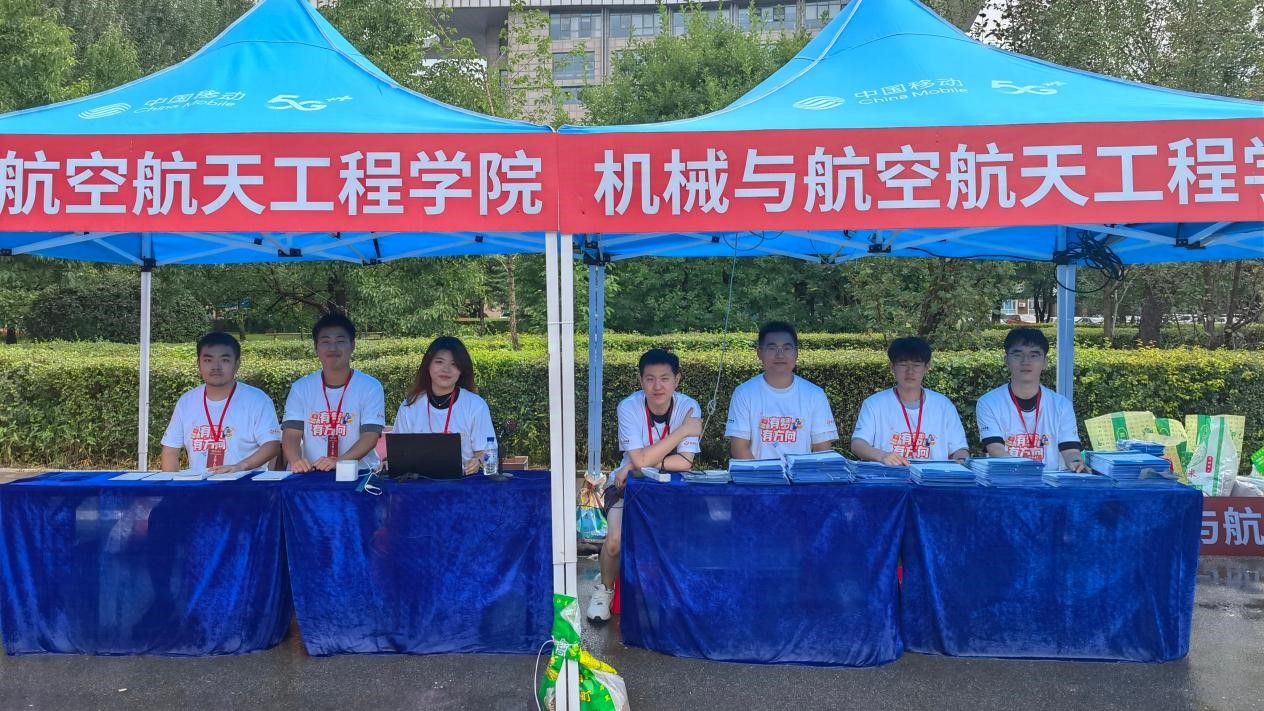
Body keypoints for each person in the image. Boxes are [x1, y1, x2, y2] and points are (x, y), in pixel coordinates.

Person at [588, 348, 702, 622]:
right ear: (640, 380)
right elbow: (639, 459)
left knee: (681, 540)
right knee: (614, 541)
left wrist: (635, 464)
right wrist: (683, 431)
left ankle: (671, 593)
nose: (657, 386)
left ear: (677, 379)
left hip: (668, 487)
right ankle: (604, 590)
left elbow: (685, 462)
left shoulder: (689, 407)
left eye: (665, 378)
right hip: (626, 484)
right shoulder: (628, 406)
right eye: (650, 379)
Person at [160, 331, 281, 473]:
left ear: (237, 364)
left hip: (245, 483)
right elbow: (170, 450)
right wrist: (172, 484)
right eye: (208, 360)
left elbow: (272, 445)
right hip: (200, 484)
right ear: (198, 364)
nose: (216, 367)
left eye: (224, 360)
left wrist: (241, 466)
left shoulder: (258, 400)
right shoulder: (186, 402)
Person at [282, 313, 386, 472]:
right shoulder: (301, 388)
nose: (332, 348)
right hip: (313, 473)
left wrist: (340, 461)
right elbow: (291, 433)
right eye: (325, 342)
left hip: (360, 473)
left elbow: (370, 435)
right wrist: (296, 461)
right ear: (316, 347)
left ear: (352, 345)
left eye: (340, 341)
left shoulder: (370, 387)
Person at [976, 327, 1089, 472]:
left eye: (1034, 355)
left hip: (1050, 482)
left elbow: (1070, 450)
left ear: (1045, 362)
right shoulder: (988, 403)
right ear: (1006, 360)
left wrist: (1076, 463)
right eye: (1018, 355)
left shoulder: (1062, 405)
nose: (1026, 361)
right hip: (1007, 480)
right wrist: (1026, 473)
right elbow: (995, 449)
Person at [725, 321, 838, 460]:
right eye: (772, 348)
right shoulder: (744, 393)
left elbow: (821, 450)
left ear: (796, 353)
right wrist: (764, 473)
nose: (780, 355)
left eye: (787, 348)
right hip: (757, 473)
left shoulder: (815, 395)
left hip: (802, 473)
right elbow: (739, 448)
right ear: (759, 353)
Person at [851, 336, 969, 465]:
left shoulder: (943, 405)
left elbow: (959, 449)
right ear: (892, 367)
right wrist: (883, 456)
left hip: (933, 476)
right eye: (903, 365)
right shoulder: (874, 404)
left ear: (926, 367)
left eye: (916, 365)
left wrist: (961, 461)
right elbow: (858, 443)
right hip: (888, 475)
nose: (910, 371)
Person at [393, 336, 495, 475]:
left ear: (461, 370)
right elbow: (399, 452)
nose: (446, 369)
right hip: (418, 482)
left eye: (454, 364)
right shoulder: (409, 406)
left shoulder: (475, 405)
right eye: (439, 362)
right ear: (428, 365)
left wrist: (477, 461)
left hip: (464, 482)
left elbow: (486, 451)